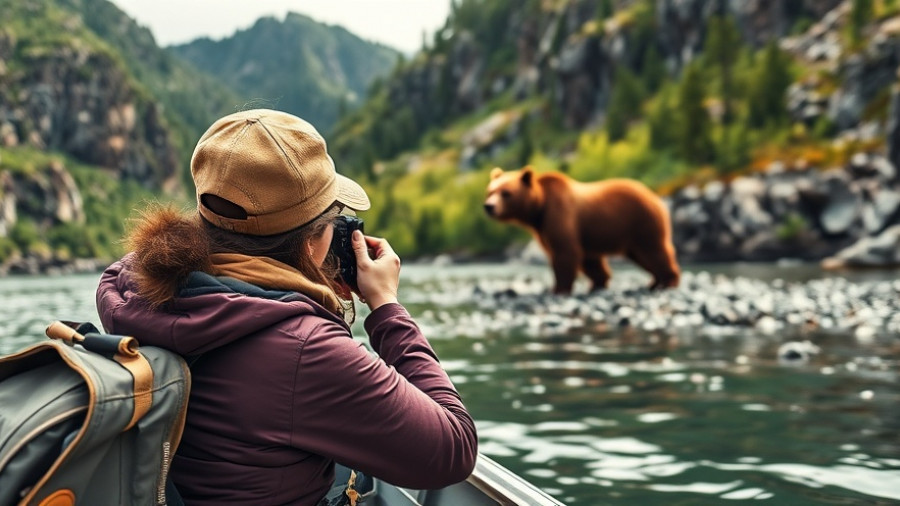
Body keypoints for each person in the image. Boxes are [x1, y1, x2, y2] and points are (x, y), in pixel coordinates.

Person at [95, 109, 478, 505]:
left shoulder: (135, 290)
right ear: (313, 243)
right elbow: (454, 449)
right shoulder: (303, 347)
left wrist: (301, 283)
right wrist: (386, 306)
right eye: (333, 220)